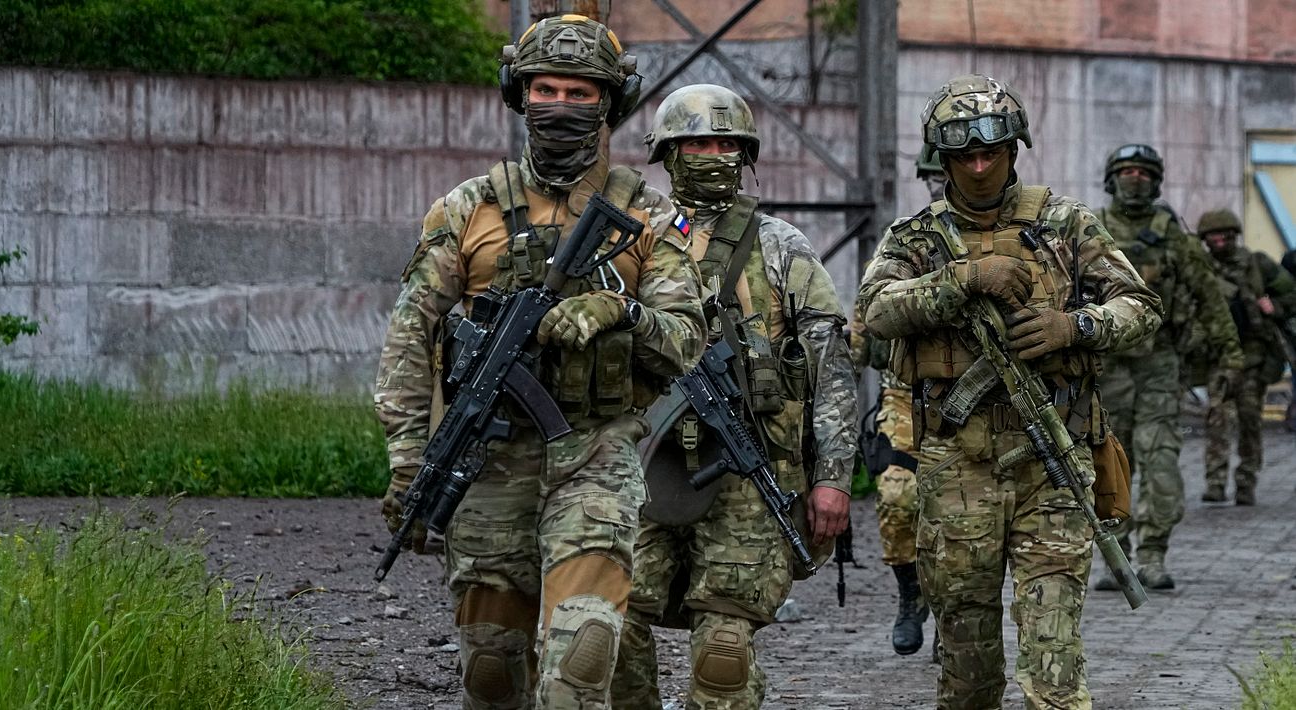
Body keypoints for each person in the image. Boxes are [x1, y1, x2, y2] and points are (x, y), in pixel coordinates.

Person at [374, 15, 706, 708]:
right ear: (518, 94)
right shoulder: (467, 209)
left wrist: (622, 312)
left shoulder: (650, 216)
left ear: (609, 102)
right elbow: (410, 337)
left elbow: (685, 339)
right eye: (545, 89)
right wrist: (407, 459)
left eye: (579, 93)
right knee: (491, 675)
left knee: (580, 663)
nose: (560, 105)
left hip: (595, 455)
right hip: (487, 465)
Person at [857, 73, 1162, 709]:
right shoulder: (915, 238)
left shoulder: (1066, 224)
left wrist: (1075, 326)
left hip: (1051, 462)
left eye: (990, 152)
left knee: (1055, 663)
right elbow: (875, 313)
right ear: (942, 158)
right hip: (956, 468)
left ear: (1013, 148)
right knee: (967, 669)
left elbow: (1141, 306)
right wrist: (963, 280)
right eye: (963, 155)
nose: (978, 167)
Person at [609, 83, 859, 710]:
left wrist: (833, 477)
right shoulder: (633, 239)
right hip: (642, 463)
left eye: (726, 145)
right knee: (607, 627)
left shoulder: (780, 246)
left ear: (745, 155)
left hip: (749, 471)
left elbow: (830, 368)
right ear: (669, 153)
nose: (712, 156)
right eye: (697, 143)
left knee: (723, 651)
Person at [1092, 144, 1243, 591]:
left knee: (1160, 458)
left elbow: (1210, 299)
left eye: (1143, 172)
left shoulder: (1174, 238)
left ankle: (1154, 554)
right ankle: (1117, 556)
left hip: (1159, 365)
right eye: (1127, 171)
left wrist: (1230, 354)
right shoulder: (1090, 230)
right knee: (1111, 462)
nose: (1135, 179)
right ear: (1112, 179)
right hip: (1107, 366)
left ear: (1156, 182)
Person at [847, 144, 946, 658]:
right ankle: (911, 593)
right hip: (905, 398)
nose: (940, 185)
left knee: (962, 514)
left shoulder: (998, 239)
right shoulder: (903, 241)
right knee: (897, 497)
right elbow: (863, 323)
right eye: (933, 177)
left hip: (974, 403)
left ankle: (954, 618)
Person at [1195, 208, 1296, 505]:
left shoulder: (1257, 264)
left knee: (1250, 421)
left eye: (1222, 234)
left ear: (1233, 234)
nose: (1218, 241)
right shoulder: (1200, 269)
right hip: (1220, 357)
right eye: (1212, 236)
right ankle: (1215, 482)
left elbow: (1291, 294)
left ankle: (1246, 482)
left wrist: (1273, 307)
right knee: (1217, 419)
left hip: (1253, 357)